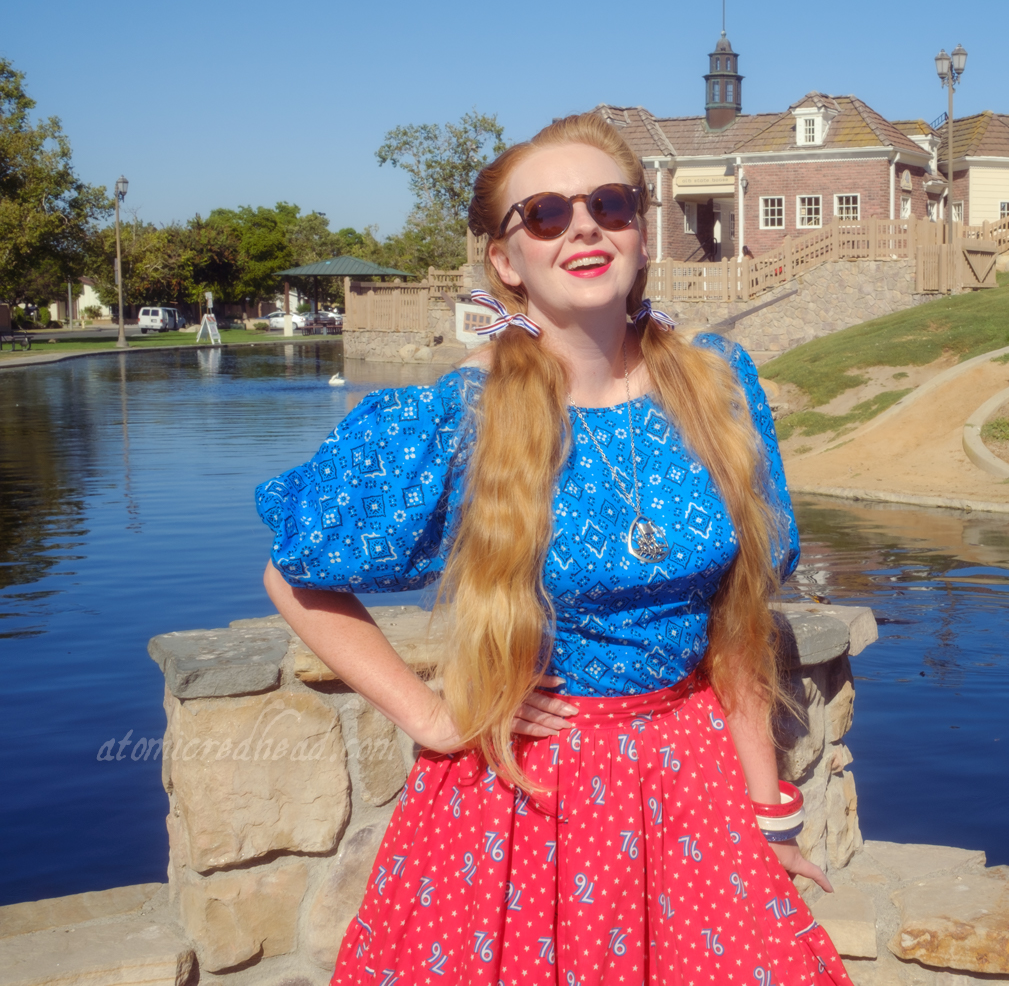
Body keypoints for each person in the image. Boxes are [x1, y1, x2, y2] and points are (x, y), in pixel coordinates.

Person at [255, 112, 853, 985]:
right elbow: (293, 571)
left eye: (609, 203)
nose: (583, 226)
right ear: (506, 259)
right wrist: (432, 716)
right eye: (545, 214)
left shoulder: (719, 387)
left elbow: (740, 623)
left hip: (689, 785)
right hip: (528, 799)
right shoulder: (464, 419)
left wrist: (770, 816)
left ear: (639, 232)